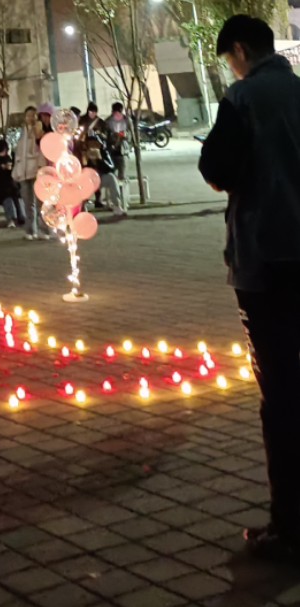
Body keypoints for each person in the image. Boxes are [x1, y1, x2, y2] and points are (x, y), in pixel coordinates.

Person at [199, 14, 300, 559]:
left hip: (267, 259)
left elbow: (217, 168)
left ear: (240, 50)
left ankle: (290, 523)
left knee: (282, 395)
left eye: (230, 59)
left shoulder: (244, 98)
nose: (232, 69)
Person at [13, 105, 46, 240]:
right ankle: (30, 230)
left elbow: (43, 149)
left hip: (36, 170)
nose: (30, 118)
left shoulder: (39, 132)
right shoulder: (21, 132)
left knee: (40, 203)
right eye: (28, 115)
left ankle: (45, 230)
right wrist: (16, 169)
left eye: (33, 115)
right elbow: (17, 152)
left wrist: (41, 167)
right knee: (27, 203)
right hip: (23, 171)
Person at [82, 133, 127, 217]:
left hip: (100, 178)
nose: (93, 146)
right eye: (90, 144)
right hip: (88, 180)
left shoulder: (103, 152)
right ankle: (82, 207)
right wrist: (86, 161)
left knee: (111, 178)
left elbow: (111, 168)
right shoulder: (83, 153)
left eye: (95, 144)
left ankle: (117, 206)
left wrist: (100, 160)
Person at [106, 102, 129, 181]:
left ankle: (119, 188)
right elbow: (106, 135)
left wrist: (124, 136)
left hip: (120, 149)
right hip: (113, 149)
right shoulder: (108, 121)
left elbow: (129, 134)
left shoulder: (125, 120)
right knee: (115, 172)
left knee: (120, 172)